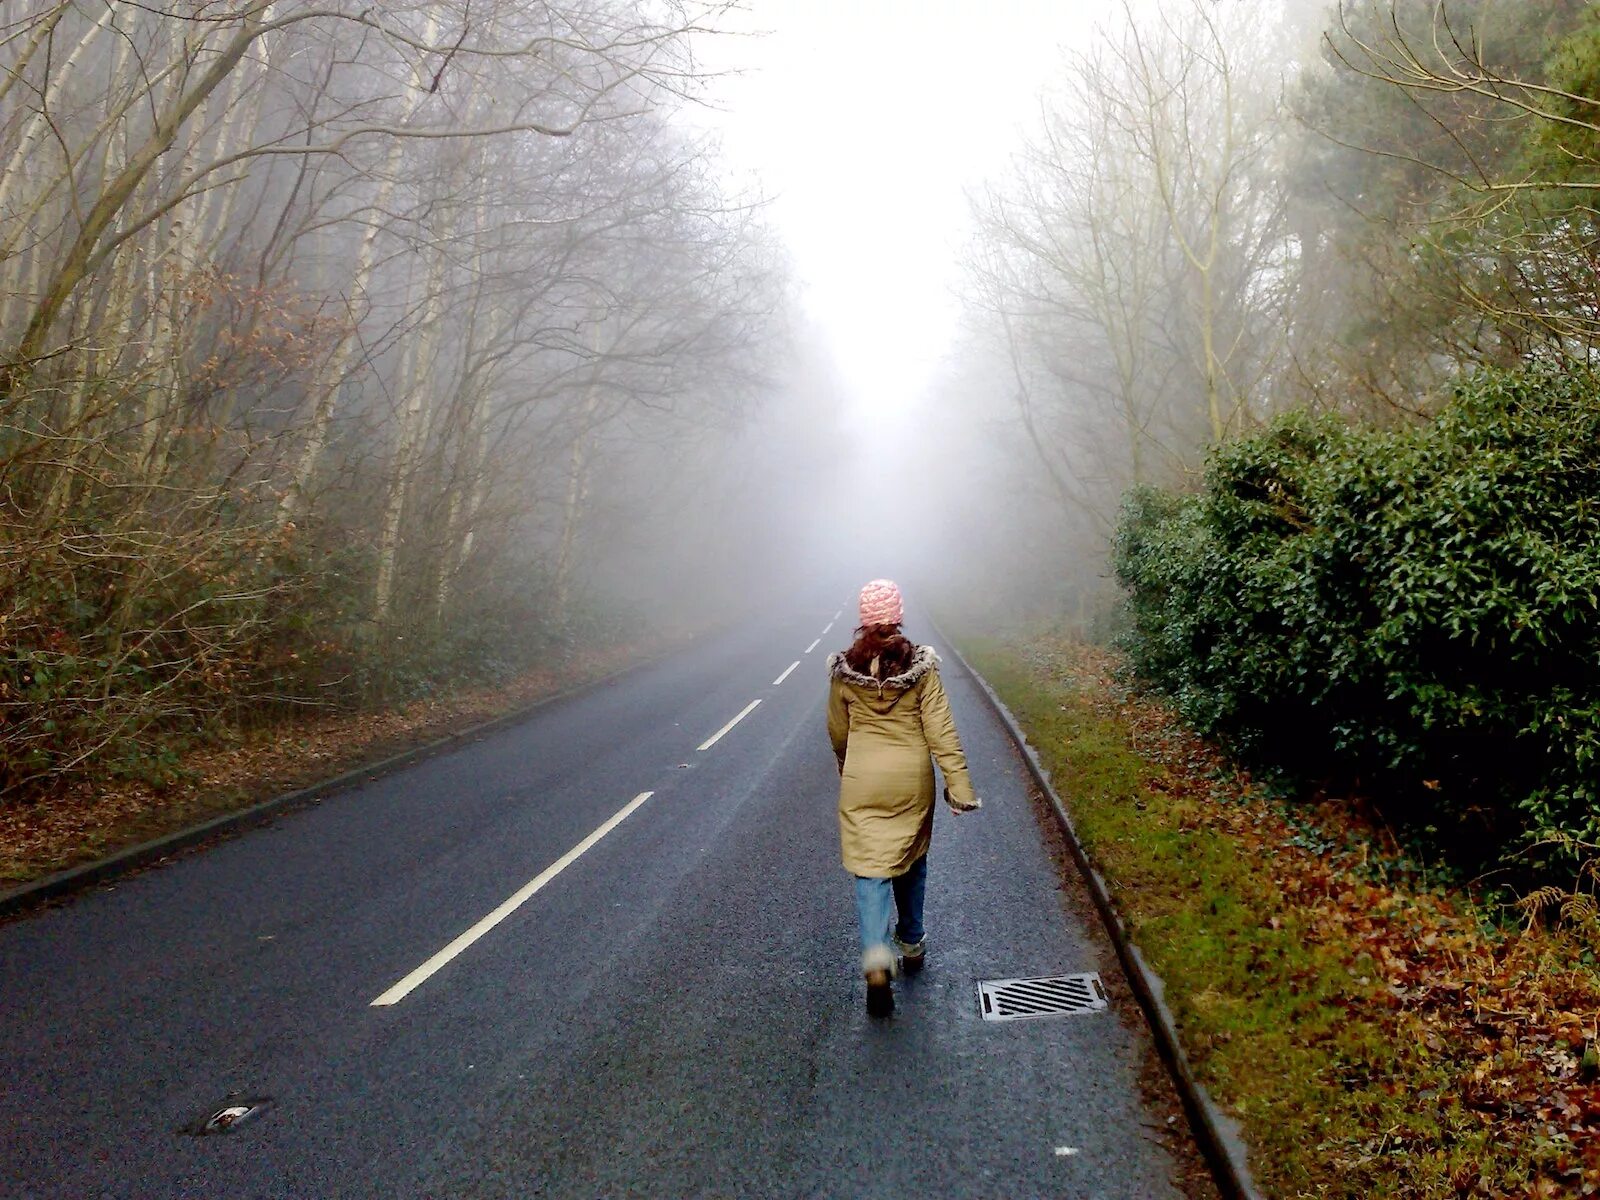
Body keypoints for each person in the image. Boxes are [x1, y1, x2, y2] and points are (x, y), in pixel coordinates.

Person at [826, 579, 981, 1017]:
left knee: (869, 867)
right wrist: (959, 787)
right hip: (911, 780)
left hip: (862, 780)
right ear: (898, 616)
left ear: (862, 620)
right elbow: (941, 731)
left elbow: (838, 732)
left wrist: (846, 764)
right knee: (912, 856)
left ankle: (876, 954)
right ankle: (911, 941)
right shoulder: (922, 668)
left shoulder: (843, 672)